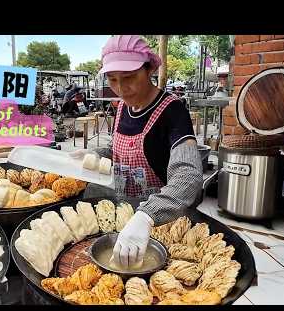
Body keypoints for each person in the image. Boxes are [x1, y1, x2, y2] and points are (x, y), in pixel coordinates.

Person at [70, 35, 203, 268]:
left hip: (161, 224)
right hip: (125, 217)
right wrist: (97, 155)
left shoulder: (173, 111)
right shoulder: (123, 107)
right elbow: (118, 149)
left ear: (149, 69)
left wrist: (146, 216)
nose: (121, 89)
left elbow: (188, 176)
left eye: (129, 77)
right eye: (112, 80)